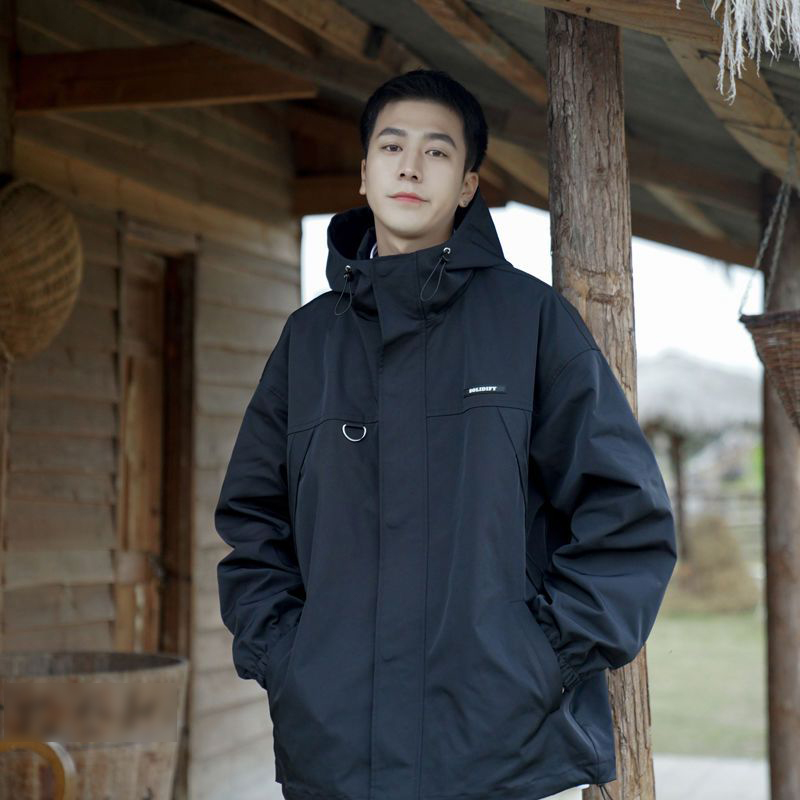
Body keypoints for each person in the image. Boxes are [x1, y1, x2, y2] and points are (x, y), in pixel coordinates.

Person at [215, 68, 676, 800]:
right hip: (336, 744)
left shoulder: (529, 322)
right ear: (363, 173)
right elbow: (253, 521)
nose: (410, 166)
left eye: (436, 151)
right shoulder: (309, 342)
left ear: (467, 185)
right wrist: (289, 659)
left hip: (497, 745)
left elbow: (628, 515)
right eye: (391, 146)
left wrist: (542, 658)